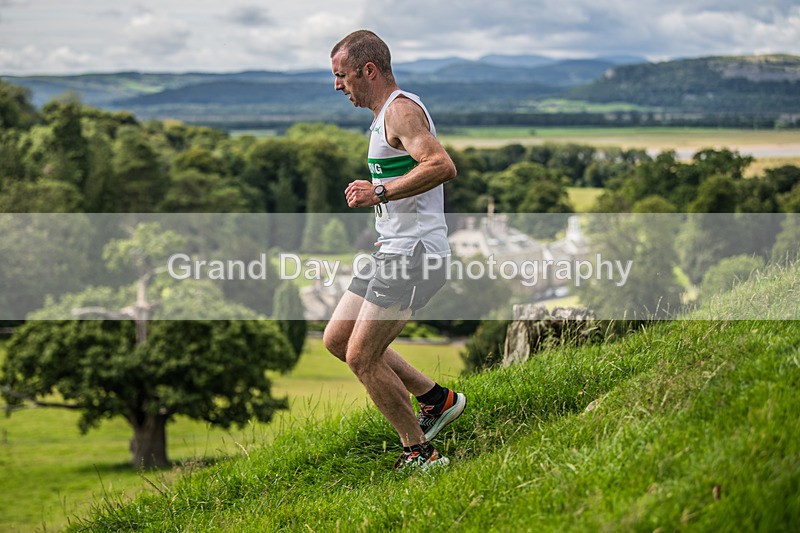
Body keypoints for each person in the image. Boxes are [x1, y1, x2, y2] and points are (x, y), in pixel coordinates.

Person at [323, 30, 466, 471]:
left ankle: (420, 452)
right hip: (394, 250)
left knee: (362, 357)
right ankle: (437, 399)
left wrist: (379, 192)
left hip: (416, 253)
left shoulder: (401, 110)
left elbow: (441, 165)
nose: (337, 85)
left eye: (342, 75)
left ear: (369, 70)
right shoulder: (384, 114)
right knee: (337, 339)